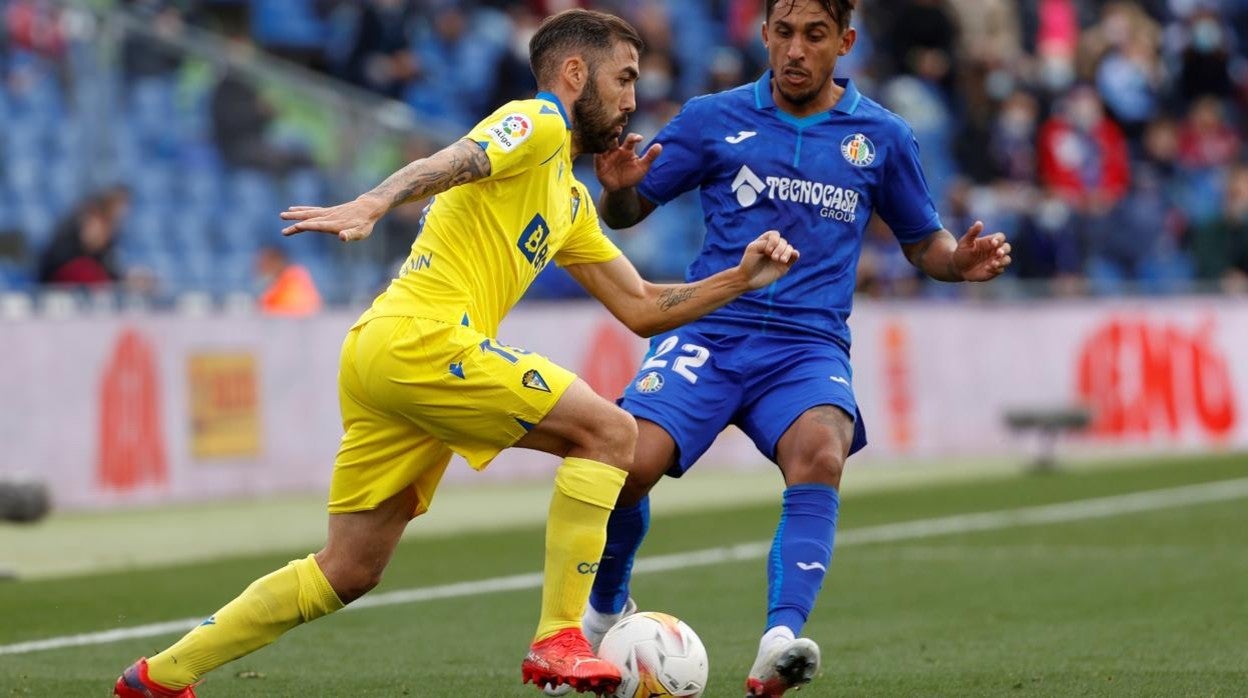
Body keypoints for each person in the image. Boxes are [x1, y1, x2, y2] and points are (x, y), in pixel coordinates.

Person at [112, 9, 798, 698]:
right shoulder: (541, 121)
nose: (631, 98)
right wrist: (375, 201)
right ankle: (560, 637)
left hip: (384, 355)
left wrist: (738, 279)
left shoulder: (567, 198)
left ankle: (162, 675)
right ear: (573, 72)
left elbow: (644, 308)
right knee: (612, 431)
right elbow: (456, 157)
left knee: (347, 569)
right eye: (622, 78)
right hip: (423, 338)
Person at [576, 1, 1011, 696]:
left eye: (814, 36)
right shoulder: (712, 118)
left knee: (821, 451)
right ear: (765, 35)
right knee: (630, 462)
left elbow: (922, 241)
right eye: (783, 34)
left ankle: (779, 640)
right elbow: (628, 211)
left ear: (845, 42)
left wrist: (959, 261)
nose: (796, 51)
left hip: (805, 348)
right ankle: (603, 612)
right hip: (711, 332)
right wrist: (618, 194)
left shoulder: (882, 137)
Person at [255, 245, 323, 316]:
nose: (260, 269)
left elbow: (264, 302)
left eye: (263, 265)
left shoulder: (290, 276)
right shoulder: (298, 272)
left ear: (276, 262)